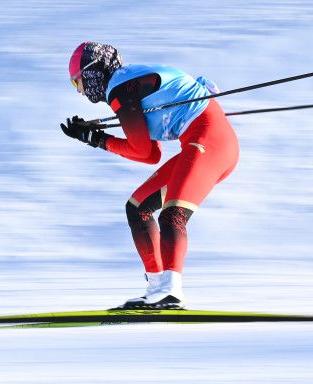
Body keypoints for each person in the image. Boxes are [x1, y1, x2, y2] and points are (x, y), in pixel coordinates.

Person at [61, 41, 239, 309]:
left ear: (91, 72)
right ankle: (157, 288)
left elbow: (144, 152)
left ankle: (171, 292)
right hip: (209, 142)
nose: (81, 92)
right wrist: (97, 137)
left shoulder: (120, 90)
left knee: (172, 215)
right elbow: (152, 153)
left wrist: (97, 140)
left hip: (210, 142)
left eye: (78, 83)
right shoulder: (127, 83)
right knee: (138, 207)